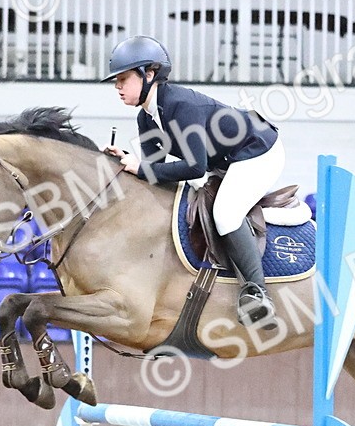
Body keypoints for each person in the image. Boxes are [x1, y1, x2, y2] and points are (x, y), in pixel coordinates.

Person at [102, 35, 281, 329]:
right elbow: (155, 173)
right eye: (116, 81)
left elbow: (195, 169)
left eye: (123, 79)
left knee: (225, 213)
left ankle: (258, 294)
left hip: (259, 150)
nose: (118, 87)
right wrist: (122, 160)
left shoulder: (182, 106)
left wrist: (141, 168)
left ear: (150, 74)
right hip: (226, 160)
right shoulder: (146, 119)